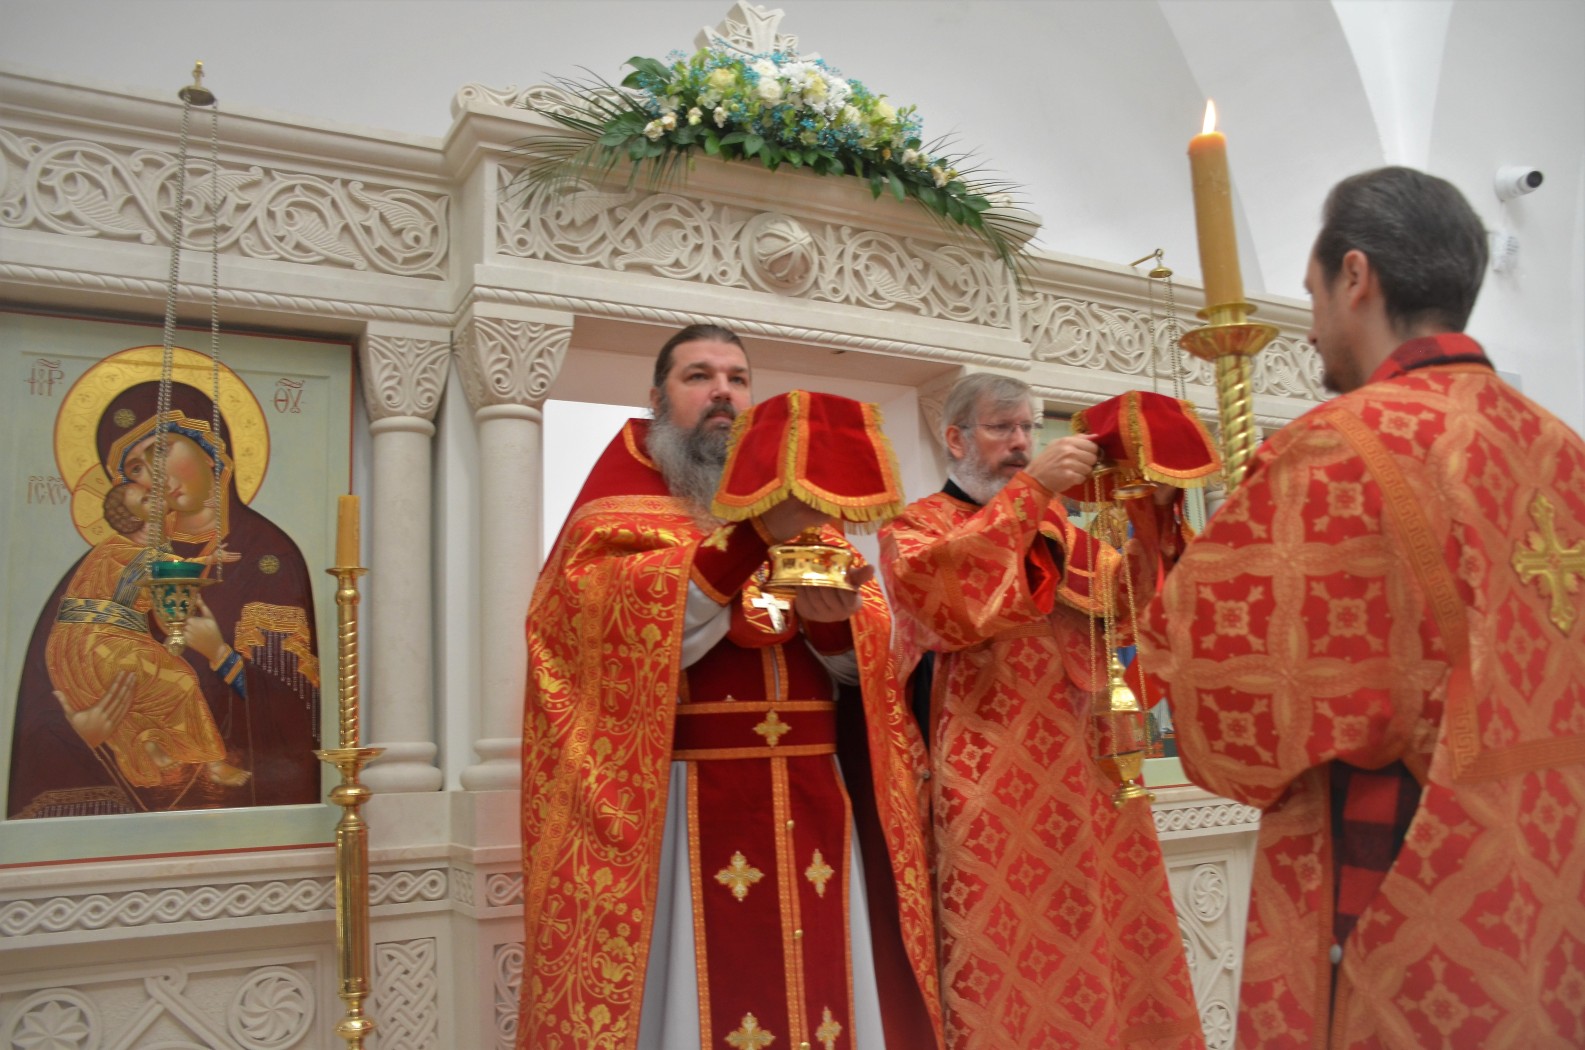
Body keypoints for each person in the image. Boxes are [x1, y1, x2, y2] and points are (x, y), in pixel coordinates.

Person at [1136, 166, 1585, 1048]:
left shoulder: (1336, 447)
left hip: (1407, 875)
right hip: (1554, 864)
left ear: (1355, 276)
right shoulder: (1560, 448)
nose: (1311, 326)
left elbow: (1222, 697)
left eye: (1310, 295)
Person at [519, 324, 942, 1050]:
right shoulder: (618, 504)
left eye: (737, 379)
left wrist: (835, 628)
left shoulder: (800, 506)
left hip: (816, 791)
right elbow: (603, 633)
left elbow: (868, 662)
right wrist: (754, 536)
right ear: (657, 399)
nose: (722, 392)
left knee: (828, 993)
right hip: (684, 800)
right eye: (699, 376)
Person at [880, 373, 1204, 1050]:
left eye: (1028, 428)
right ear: (955, 438)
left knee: (1105, 955)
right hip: (988, 785)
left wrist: (1153, 513)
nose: (1021, 442)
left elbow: (1133, 612)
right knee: (1006, 959)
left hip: (1087, 780)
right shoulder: (915, 528)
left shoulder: (1062, 532)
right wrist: (1033, 491)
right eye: (1002, 427)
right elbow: (950, 606)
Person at [10, 380, 321, 817]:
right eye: (136, 468)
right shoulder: (109, 559)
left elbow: (300, 710)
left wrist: (222, 656)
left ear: (209, 446)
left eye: (160, 451)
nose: (154, 477)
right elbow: (47, 694)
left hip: (244, 817)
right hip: (121, 818)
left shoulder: (269, 556)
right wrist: (82, 731)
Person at [45, 481, 247, 790]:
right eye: (144, 499)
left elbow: (163, 597)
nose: (155, 497)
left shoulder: (152, 549)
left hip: (111, 639)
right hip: (90, 642)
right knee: (181, 679)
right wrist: (206, 561)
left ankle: (148, 742)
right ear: (132, 517)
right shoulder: (116, 551)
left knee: (147, 689)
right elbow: (161, 569)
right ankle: (213, 764)